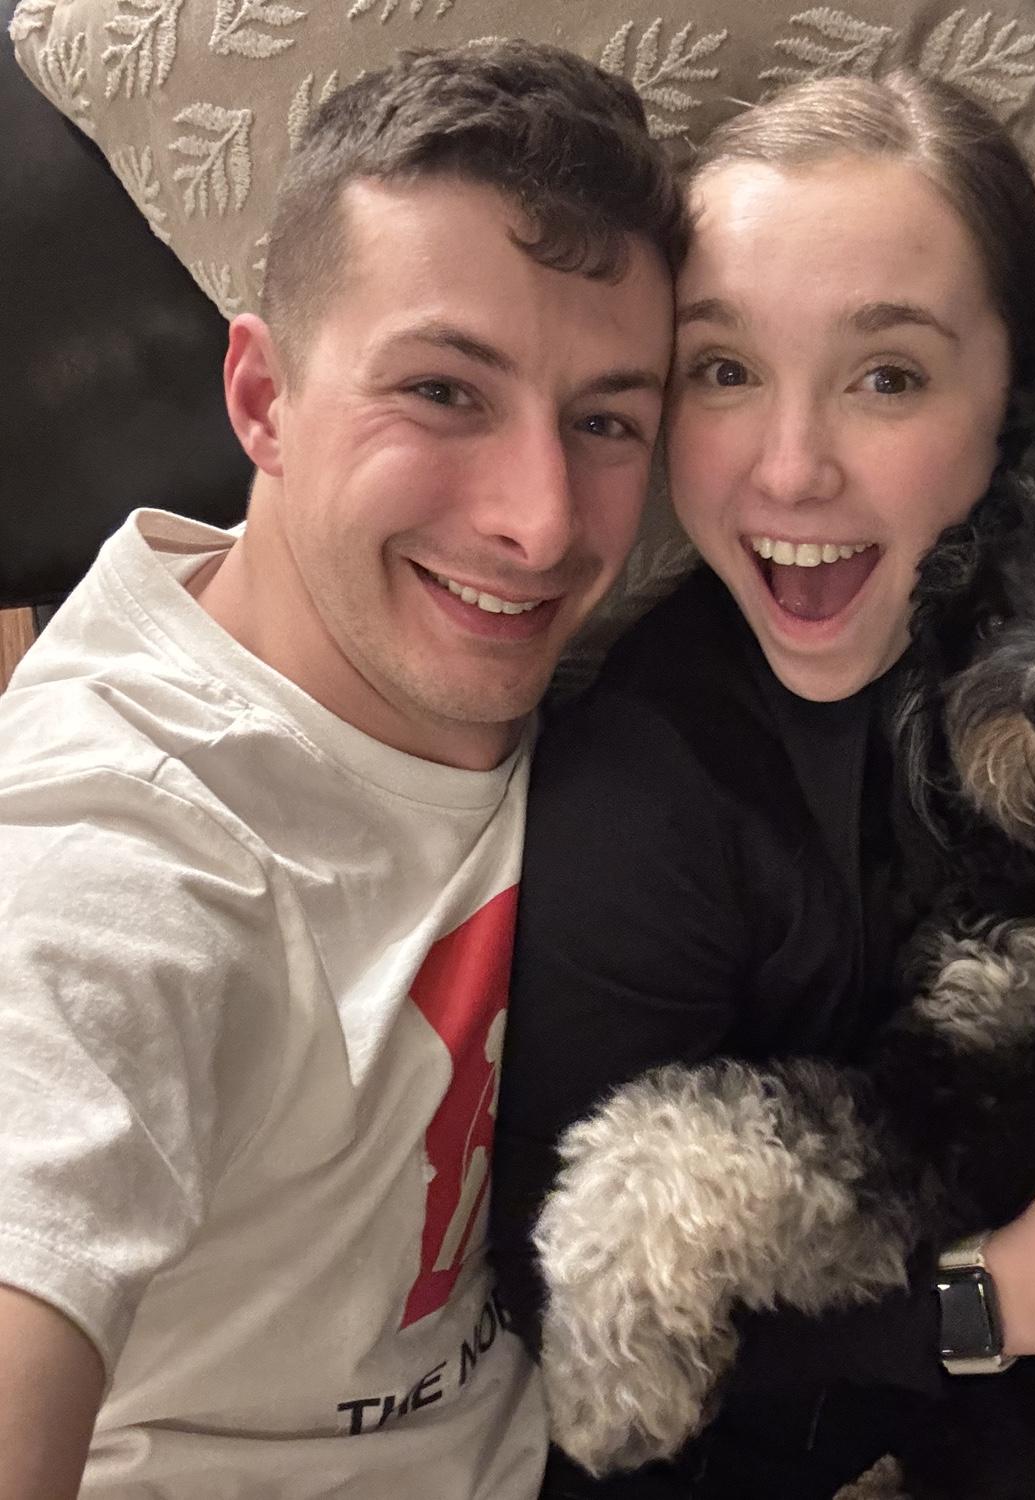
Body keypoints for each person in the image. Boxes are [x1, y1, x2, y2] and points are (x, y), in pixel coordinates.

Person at [491, 71, 1035, 1498]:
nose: (790, 471)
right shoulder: (650, 804)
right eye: (724, 371)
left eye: (887, 375)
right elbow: (559, 1329)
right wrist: (985, 1304)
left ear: (1018, 394)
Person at [0, 42, 681, 1499]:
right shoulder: (117, 838)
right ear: (262, 398)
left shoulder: (607, 702)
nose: (542, 523)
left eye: (607, 421)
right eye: (443, 391)